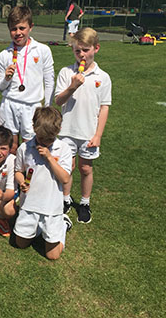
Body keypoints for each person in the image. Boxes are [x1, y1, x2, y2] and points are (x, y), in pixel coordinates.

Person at [54, 27, 112, 224]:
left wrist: (98, 135)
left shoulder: (102, 77)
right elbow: (58, 101)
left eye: (86, 50)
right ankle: (65, 199)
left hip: (88, 132)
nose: (82, 55)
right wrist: (72, 86)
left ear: (96, 48)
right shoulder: (66, 72)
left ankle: (85, 203)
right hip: (67, 131)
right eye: (77, 50)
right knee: (67, 167)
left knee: (85, 168)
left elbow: (104, 108)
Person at [13, 107, 73, 260]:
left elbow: (65, 178)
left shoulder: (64, 149)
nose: (45, 143)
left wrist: (49, 158)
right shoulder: (24, 148)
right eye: (41, 139)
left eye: (49, 139)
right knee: (20, 243)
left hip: (51, 207)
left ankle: (63, 224)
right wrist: (21, 182)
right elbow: (18, 171)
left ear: (58, 131)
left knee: (52, 256)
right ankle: (38, 229)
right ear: (34, 129)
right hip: (29, 205)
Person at [0, 5, 55, 154]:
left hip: (32, 105)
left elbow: (49, 80)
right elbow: (0, 87)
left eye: (22, 28)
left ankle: (28, 176)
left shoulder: (42, 50)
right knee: (11, 146)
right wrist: (6, 78)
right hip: (10, 104)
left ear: (31, 27)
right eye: (14, 29)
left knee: (30, 147)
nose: (18, 33)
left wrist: (47, 106)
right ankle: (12, 177)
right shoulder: (4, 55)